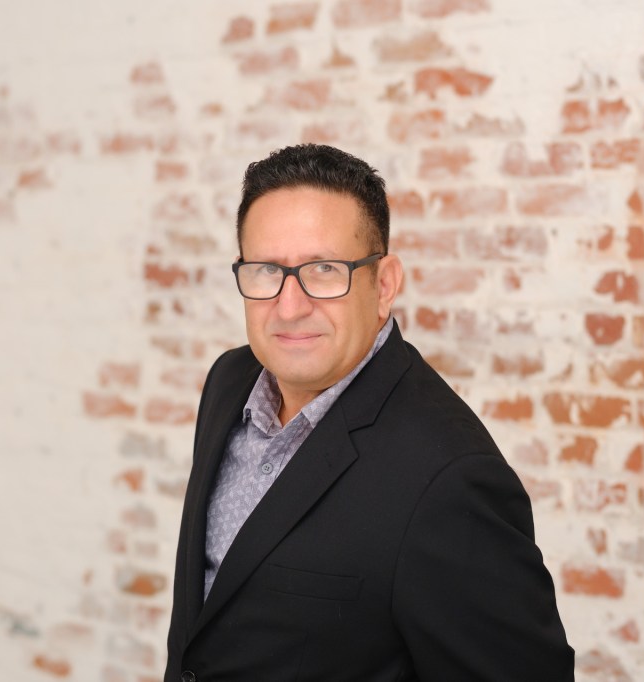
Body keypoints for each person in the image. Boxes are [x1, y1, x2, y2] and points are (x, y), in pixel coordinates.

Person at [165, 144, 574, 681]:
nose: (289, 306)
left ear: (384, 285)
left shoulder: (449, 479)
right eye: (267, 270)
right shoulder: (228, 383)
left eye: (325, 269)